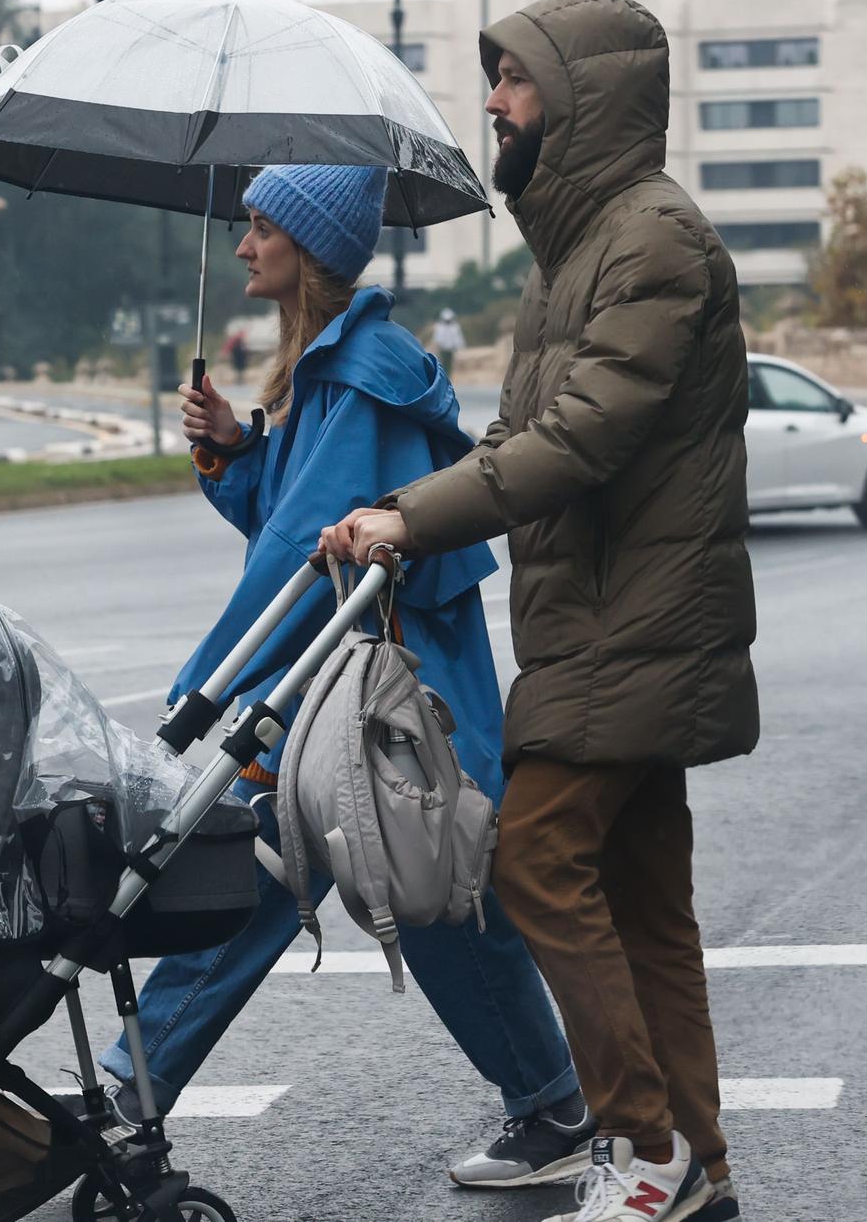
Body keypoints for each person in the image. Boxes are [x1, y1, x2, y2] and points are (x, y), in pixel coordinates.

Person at [320, 0, 758, 1222]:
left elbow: (578, 437)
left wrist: (411, 518)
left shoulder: (651, 241)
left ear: (579, 97)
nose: (495, 102)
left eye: (513, 80)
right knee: (640, 901)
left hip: (636, 620)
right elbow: (521, 435)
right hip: (598, 620)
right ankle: (694, 1163)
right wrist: (406, 503)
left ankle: (641, 1143)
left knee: (533, 857)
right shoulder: (579, 251)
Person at [100, 162, 595, 1190]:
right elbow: (285, 519)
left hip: (378, 690)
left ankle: (123, 1094)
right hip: (356, 687)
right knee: (413, 891)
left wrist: (202, 691)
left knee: (402, 890)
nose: (241, 247)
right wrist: (233, 452)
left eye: (258, 227)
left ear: (307, 246)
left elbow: (298, 553)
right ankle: (546, 1104)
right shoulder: (329, 370)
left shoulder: (360, 371)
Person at [431, 306, 466, 376]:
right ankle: (444, 376)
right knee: (442, 364)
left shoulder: (455, 327)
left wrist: (460, 347)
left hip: (450, 349)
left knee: (449, 364)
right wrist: (436, 347)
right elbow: (437, 338)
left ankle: (448, 376)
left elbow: (458, 338)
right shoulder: (440, 327)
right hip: (443, 349)